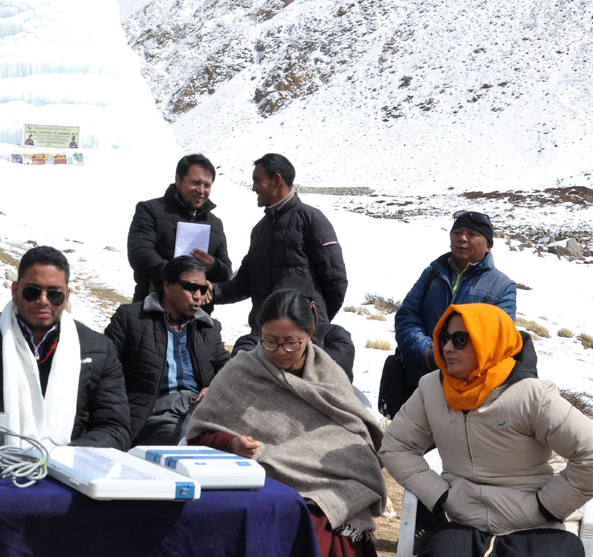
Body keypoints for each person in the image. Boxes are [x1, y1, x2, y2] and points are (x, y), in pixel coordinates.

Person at [381, 304, 593, 556]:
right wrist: (440, 495)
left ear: (489, 342)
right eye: (444, 338)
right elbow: (396, 447)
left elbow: (589, 453)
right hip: (466, 525)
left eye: (460, 340)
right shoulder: (432, 389)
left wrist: (546, 506)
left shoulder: (532, 395)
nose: (447, 347)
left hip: (540, 528)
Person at [185, 290, 385, 557]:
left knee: (328, 518)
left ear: (309, 335)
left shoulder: (328, 374)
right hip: (262, 483)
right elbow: (198, 435)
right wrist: (231, 443)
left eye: (291, 343)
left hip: (328, 484)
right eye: (270, 341)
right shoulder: (241, 371)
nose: (279, 351)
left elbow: (355, 434)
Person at [0, 245, 130, 449]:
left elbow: (114, 428)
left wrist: (60, 460)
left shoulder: (99, 350)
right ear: (15, 291)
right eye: (32, 292)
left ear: (67, 296)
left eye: (54, 294)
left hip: (66, 473)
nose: (42, 301)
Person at [209, 153, 347, 331]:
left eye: (257, 181)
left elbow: (336, 280)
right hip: (265, 338)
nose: (254, 188)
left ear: (276, 180)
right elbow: (244, 284)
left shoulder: (312, 219)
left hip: (302, 339)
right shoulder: (259, 230)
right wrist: (211, 291)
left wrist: (316, 321)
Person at [104, 256, 230, 446]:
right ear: (167, 286)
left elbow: (228, 368)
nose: (198, 296)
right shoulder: (132, 318)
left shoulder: (208, 329)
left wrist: (214, 387)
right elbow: (105, 369)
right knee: (185, 439)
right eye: (190, 287)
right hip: (152, 410)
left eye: (203, 289)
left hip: (199, 410)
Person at [394, 211, 517, 390]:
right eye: (457, 232)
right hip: (418, 381)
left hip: (466, 390)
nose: (462, 238)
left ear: (488, 245)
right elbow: (406, 316)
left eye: (472, 234)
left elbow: (498, 341)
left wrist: (452, 358)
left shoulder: (502, 287)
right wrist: (429, 353)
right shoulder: (433, 273)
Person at [127, 153, 231, 302]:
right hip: (152, 306)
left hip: (197, 314)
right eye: (195, 183)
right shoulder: (150, 210)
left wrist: (213, 265)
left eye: (207, 185)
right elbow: (140, 254)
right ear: (178, 180)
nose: (201, 190)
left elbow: (226, 272)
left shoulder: (215, 224)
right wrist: (179, 278)